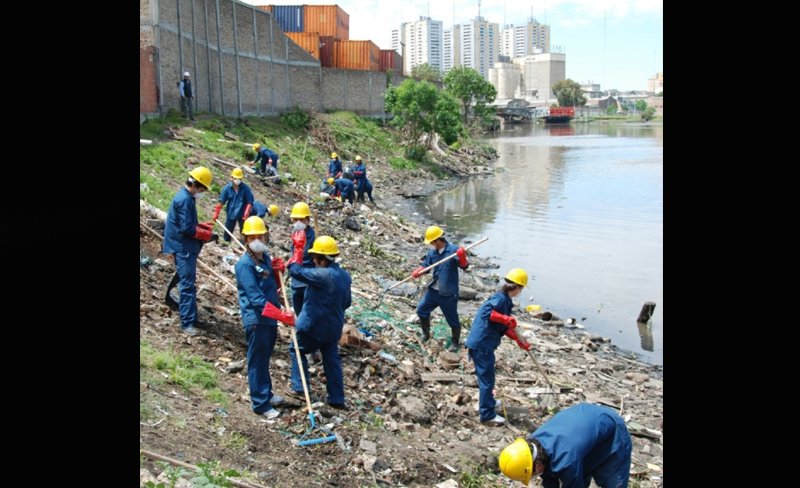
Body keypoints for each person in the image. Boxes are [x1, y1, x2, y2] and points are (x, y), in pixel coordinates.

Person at [284, 234, 352, 409]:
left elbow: (296, 271)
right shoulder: (344, 276)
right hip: (333, 328)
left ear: (322, 259)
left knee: (296, 350)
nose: (313, 260)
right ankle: (337, 398)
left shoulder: (323, 275)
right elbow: (348, 302)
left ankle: (300, 388)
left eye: (315, 257)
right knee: (331, 360)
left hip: (314, 326)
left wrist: (297, 253)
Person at [234, 216, 292, 419]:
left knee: (265, 357)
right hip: (257, 319)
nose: (258, 239)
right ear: (246, 239)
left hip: (270, 318)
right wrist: (283, 316)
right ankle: (260, 403)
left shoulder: (264, 258)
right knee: (257, 360)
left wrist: (277, 271)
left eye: (261, 235)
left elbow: (272, 287)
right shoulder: (245, 265)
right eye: (253, 236)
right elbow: (257, 299)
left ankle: (266, 393)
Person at [498, 403, 632, 487]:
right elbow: (548, 476)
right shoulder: (534, 445)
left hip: (612, 430)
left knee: (613, 482)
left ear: (537, 466)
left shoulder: (566, 462)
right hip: (585, 421)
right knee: (579, 471)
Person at [465, 268, 531, 426]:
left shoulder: (505, 300)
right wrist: (504, 318)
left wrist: (519, 340)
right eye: (521, 288)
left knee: (488, 376)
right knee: (487, 380)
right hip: (482, 344)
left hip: (484, 343)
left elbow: (505, 327)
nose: (520, 292)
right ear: (517, 287)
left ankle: (489, 402)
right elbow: (487, 312)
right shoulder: (500, 299)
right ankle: (487, 415)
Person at [162, 167, 214, 336]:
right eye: (203, 189)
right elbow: (186, 228)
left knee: (188, 282)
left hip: (183, 245)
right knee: (187, 285)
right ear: (197, 186)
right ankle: (187, 323)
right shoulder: (185, 200)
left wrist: (201, 226)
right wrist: (204, 234)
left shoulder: (186, 197)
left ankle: (191, 317)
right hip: (182, 247)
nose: (203, 193)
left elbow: (188, 223)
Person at [410, 225, 470, 352]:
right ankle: (426, 334)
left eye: (432, 242)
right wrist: (418, 271)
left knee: (453, 320)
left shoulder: (454, 250)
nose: (432, 245)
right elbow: (426, 267)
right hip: (434, 291)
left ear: (438, 240)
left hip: (448, 293)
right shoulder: (432, 253)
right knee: (421, 310)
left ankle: (455, 342)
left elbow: (464, 266)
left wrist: (462, 256)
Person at [212, 168, 254, 246]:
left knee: (244, 230)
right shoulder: (227, 188)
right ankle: (226, 243)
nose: (237, 180)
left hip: (242, 213)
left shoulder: (245, 189)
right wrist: (216, 213)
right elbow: (221, 202)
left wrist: (247, 212)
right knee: (228, 229)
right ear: (231, 178)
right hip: (231, 212)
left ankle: (243, 245)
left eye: (239, 178)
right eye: (236, 178)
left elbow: (250, 202)